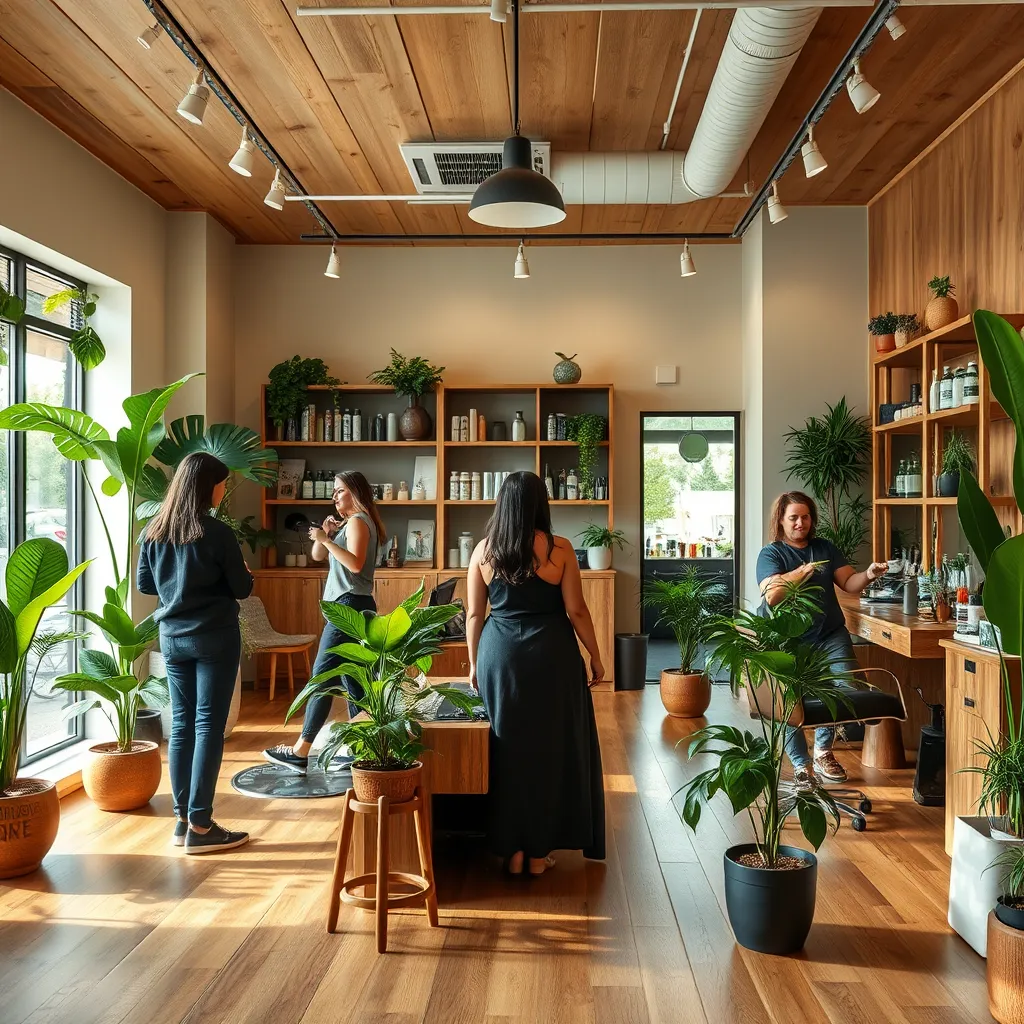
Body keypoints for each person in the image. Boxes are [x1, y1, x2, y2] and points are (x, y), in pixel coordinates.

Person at [467, 470, 605, 876]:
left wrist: (474, 663)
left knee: (505, 747)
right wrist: (596, 656)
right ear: (541, 504)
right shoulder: (559, 549)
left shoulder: (482, 552)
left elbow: (475, 613)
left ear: (502, 504)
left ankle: (510, 849)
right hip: (553, 656)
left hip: (500, 654)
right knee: (550, 748)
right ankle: (539, 850)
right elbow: (576, 610)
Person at [137, 452, 254, 854]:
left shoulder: (153, 531)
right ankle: (202, 827)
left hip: (172, 639)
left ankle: (182, 821)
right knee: (208, 726)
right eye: (221, 483)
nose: (223, 490)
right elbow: (242, 588)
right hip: (215, 638)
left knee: (183, 725)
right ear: (209, 487)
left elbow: (146, 586)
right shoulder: (218, 533)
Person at [756, 491, 888, 789]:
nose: (801, 523)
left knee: (844, 689)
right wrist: (801, 572)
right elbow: (772, 596)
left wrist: (868, 573)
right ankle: (802, 766)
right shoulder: (771, 554)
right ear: (781, 520)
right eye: (794, 518)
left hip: (830, 634)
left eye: (805, 516)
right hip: (788, 640)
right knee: (788, 703)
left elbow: (849, 583)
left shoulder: (825, 547)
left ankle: (823, 752)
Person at [263, 471, 385, 774]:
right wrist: (326, 537)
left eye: (340, 491)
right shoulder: (350, 524)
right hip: (352, 607)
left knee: (321, 679)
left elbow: (354, 563)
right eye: (334, 491)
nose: (335, 496)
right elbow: (319, 555)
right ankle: (365, 751)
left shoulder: (358, 521)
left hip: (349, 608)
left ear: (356, 493)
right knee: (354, 682)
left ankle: (300, 752)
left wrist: (326, 540)